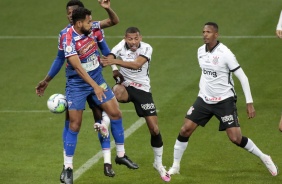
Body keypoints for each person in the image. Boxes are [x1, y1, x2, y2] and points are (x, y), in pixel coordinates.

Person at [35, 1, 137, 183]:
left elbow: (113, 21)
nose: (92, 24)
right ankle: (67, 168)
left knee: (115, 113)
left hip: (97, 79)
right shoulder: (67, 37)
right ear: (79, 22)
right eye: (69, 13)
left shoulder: (91, 28)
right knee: (74, 125)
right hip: (77, 85)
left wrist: (107, 8)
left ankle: (120, 154)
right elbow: (76, 66)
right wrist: (47, 80)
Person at [167, 22, 278, 177]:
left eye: (208, 32)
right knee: (185, 129)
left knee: (235, 138)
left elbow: (243, 77)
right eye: (203, 31)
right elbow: (206, 74)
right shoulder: (200, 51)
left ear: (216, 35)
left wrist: (249, 102)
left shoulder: (225, 54)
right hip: (204, 99)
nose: (205, 34)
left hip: (224, 100)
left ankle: (264, 157)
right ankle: (175, 166)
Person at [101, 27, 171, 182]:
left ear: (141, 38)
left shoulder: (147, 48)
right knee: (116, 92)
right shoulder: (121, 45)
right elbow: (111, 55)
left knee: (154, 129)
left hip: (143, 90)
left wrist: (114, 62)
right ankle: (104, 121)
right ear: (125, 38)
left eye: (136, 39)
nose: (133, 42)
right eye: (130, 39)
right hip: (126, 86)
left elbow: (136, 65)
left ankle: (158, 164)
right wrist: (114, 69)